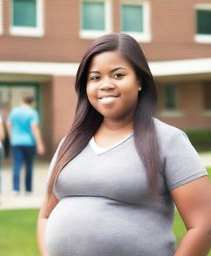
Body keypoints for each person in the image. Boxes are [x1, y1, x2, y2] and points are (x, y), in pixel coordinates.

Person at [37, 33, 211, 256]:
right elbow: (45, 216)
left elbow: (204, 225)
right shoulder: (70, 143)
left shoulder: (169, 140)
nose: (105, 85)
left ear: (139, 81)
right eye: (95, 77)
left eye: (117, 75)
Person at [7, 95, 45, 195]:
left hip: (16, 142)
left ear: (23, 100)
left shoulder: (14, 111)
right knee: (29, 166)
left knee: (17, 165)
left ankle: (15, 189)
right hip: (29, 142)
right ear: (32, 103)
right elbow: (34, 128)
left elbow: (8, 124)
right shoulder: (32, 113)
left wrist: (12, 136)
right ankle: (28, 190)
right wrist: (40, 143)